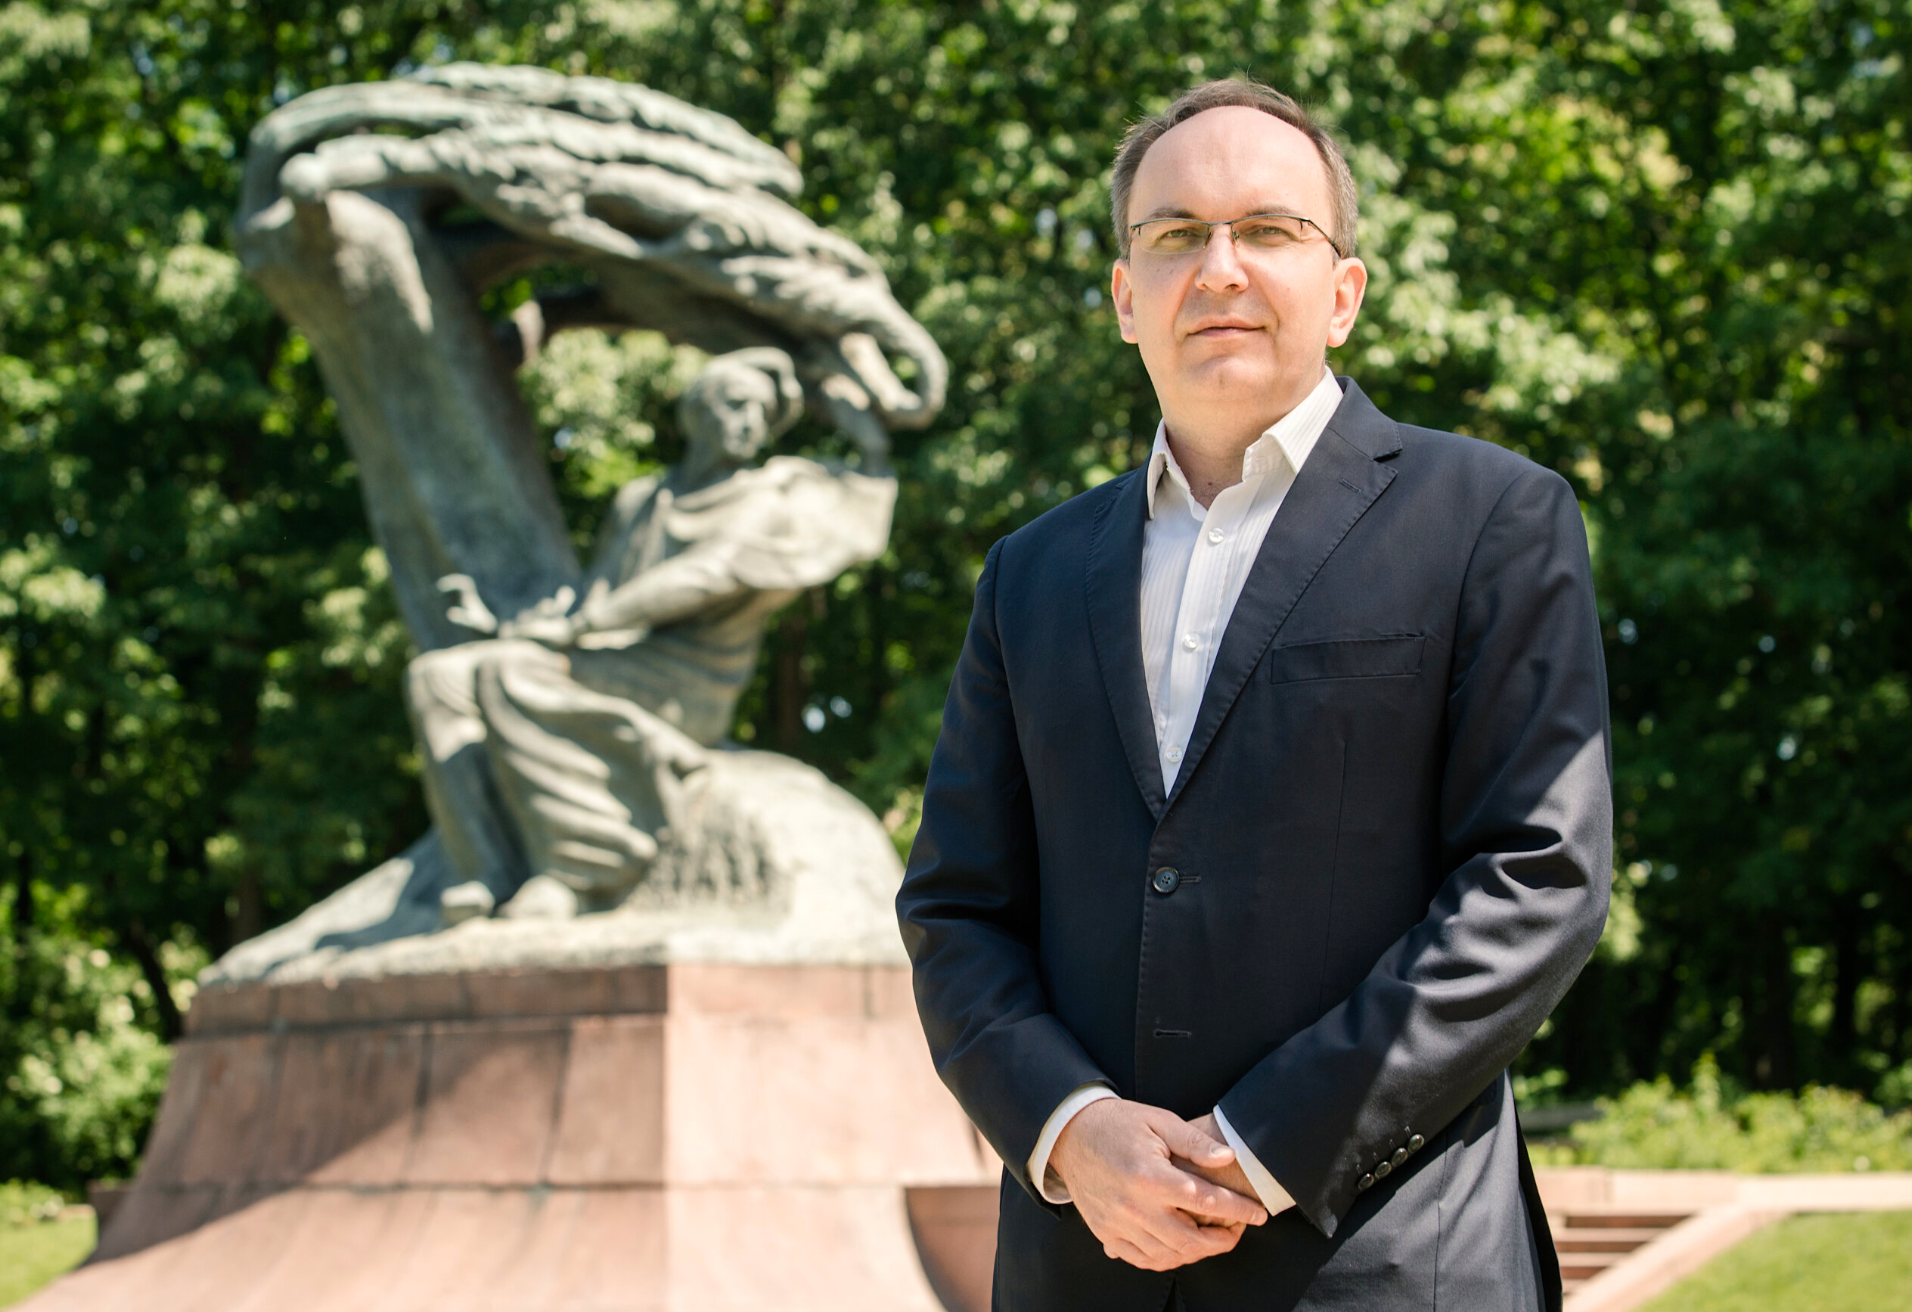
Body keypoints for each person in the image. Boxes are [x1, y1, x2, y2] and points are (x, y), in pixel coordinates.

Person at [896, 79, 1611, 1311]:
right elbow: (957, 910)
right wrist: (1068, 1128)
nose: (1218, 267)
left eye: (1268, 229)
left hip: (1388, 1267)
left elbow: (1535, 876)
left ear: (1343, 291)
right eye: (1175, 234)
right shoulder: (1028, 574)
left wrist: (1260, 1145)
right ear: (1126, 297)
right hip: (1083, 1269)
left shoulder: (1492, 517)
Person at [409, 347, 896, 913]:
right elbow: (593, 595)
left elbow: (703, 575)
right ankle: (484, 869)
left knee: (507, 672)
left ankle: (573, 872)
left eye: (763, 413)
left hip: (688, 683)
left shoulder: (763, 502)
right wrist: (510, 626)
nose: (751, 423)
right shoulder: (642, 500)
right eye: (737, 405)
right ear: (696, 413)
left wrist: (577, 627)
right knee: (437, 677)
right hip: (613, 658)